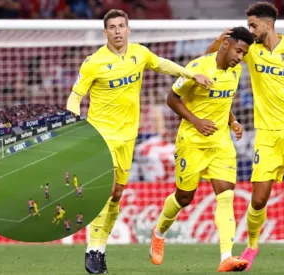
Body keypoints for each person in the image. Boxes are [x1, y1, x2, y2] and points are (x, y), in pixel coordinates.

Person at [66, 9, 211, 274]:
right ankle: (93, 250)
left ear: (128, 29)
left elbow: (162, 64)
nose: (118, 31)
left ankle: (100, 248)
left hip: (128, 138)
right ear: (105, 32)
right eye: (113, 27)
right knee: (106, 190)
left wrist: (192, 75)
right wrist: (74, 121)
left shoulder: (139, 53)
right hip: (101, 136)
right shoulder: (93, 62)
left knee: (117, 195)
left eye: (122, 26)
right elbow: (75, 96)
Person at [205, 2, 284, 272]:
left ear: (268, 24)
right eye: (248, 25)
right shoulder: (251, 50)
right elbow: (213, 60)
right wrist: (219, 41)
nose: (251, 29)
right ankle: (253, 245)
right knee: (258, 199)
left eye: (253, 25)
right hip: (267, 135)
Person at [149, 26, 253, 272]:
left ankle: (226, 256)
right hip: (192, 141)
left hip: (220, 143)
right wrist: (196, 121)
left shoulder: (235, 71)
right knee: (184, 197)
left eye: (244, 54)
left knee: (226, 196)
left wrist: (233, 121)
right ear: (226, 44)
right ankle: (159, 231)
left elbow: (221, 100)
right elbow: (172, 99)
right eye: (238, 50)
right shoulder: (197, 68)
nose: (240, 57)